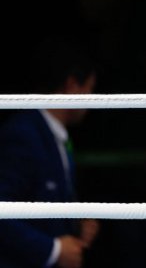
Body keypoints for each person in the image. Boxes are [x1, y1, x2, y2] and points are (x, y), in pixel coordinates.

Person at [0, 35, 100, 268]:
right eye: (90, 89)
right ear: (72, 85)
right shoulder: (23, 135)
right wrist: (52, 250)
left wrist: (75, 221)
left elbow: (42, 196)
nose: (92, 99)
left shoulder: (52, 133)